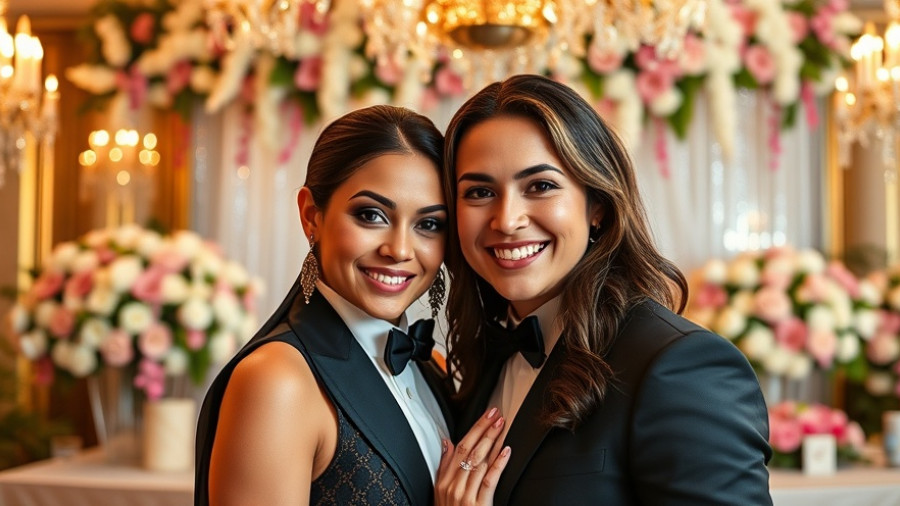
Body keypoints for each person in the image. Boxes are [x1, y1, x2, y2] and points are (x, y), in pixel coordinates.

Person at [437, 74, 773, 505]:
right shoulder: (486, 359)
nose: (506, 219)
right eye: (480, 192)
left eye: (540, 186)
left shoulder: (680, 367)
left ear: (597, 205)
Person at [195, 105, 459, 505]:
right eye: (371, 215)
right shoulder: (276, 381)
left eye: (429, 224)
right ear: (311, 216)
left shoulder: (428, 365)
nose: (400, 249)